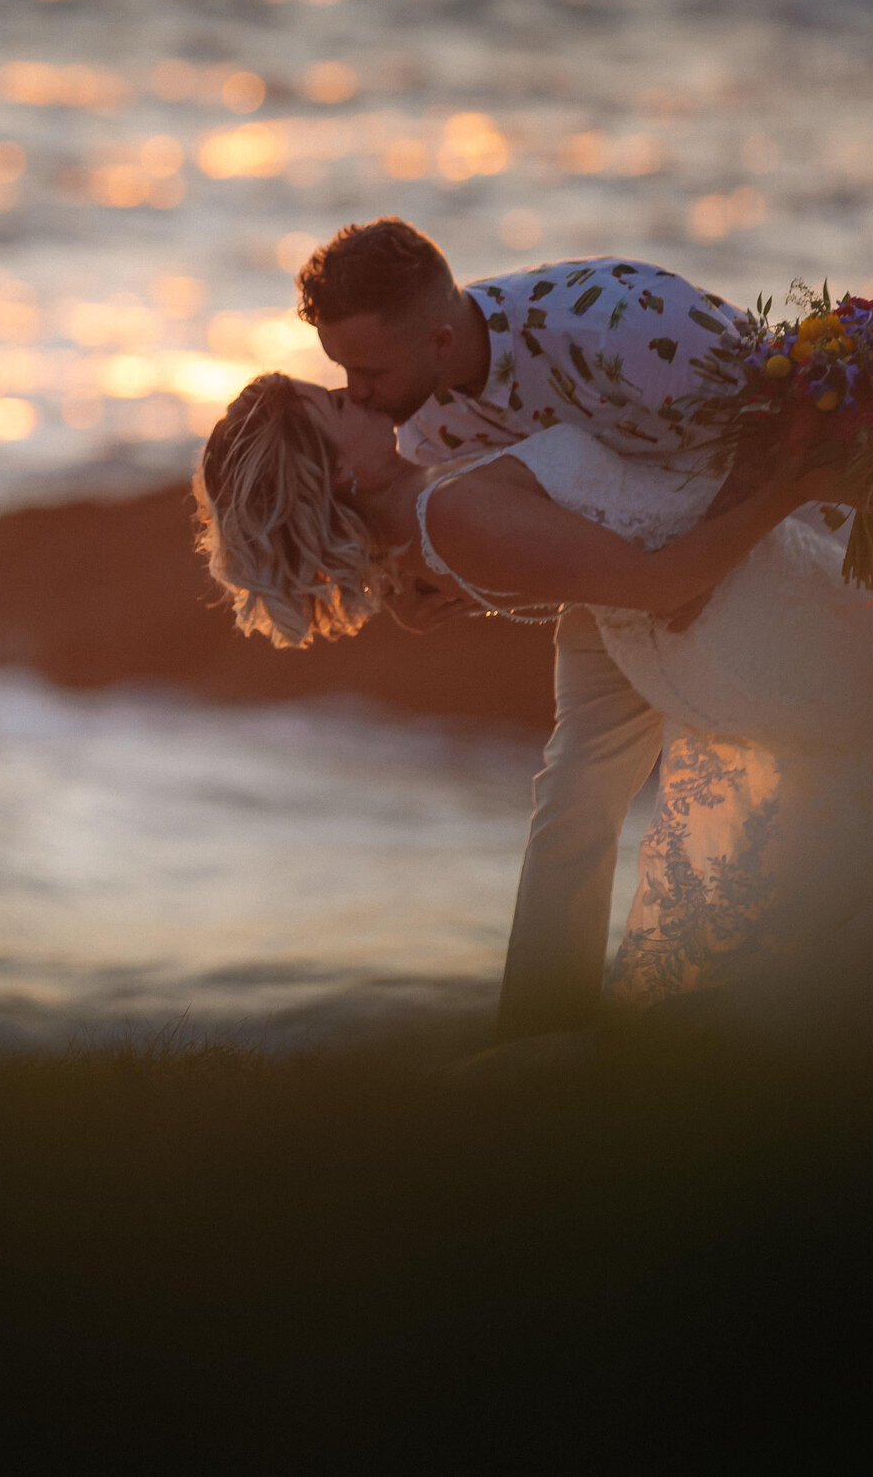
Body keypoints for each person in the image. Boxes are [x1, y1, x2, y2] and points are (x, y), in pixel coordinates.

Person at [193, 249, 873, 1037]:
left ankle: (544, 1030)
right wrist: (794, 487)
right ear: (334, 471)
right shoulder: (442, 494)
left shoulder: (584, 340)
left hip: (691, 606)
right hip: (698, 611)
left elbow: (579, 540)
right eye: (334, 403)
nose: (355, 396)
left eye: (350, 382)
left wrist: (818, 457)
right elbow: (654, 580)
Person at [276, 219, 791, 1037]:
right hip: (625, 588)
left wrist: (687, 582)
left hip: (751, 536)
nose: (358, 392)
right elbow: (529, 537)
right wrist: (413, 588)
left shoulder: (623, 322)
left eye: (368, 370)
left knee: (783, 766)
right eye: (343, 371)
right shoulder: (427, 425)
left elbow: (788, 414)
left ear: (440, 338)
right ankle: (539, 1039)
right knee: (575, 792)